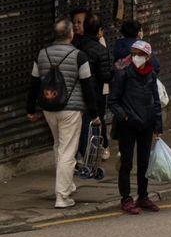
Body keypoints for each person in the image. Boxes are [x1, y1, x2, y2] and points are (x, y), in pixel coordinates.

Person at [27, 19, 98, 210]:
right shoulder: (79, 56)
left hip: (49, 108)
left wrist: (30, 109)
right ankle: (62, 195)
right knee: (68, 151)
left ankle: (67, 184)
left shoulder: (42, 54)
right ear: (70, 34)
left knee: (59, 145)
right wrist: (94, 113)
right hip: (71, 109)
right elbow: (87, 86)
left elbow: (34, 83)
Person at [108, 39, 164, 214]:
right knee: (126, 163)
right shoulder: (123, 73)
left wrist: (157, 125)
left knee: (144, 163)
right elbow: (113, 101)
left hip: (146, 125)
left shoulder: (151, 75)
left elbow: (156, 101)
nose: (136, 57)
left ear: (148, 57)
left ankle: (143, 196)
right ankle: (126, 198)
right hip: (128, 125)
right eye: (134, 54)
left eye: (140, 55)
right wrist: (124, 117)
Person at [73, 14, 112, 184]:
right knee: (92, 126)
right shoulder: (100, 50)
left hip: (74, 96)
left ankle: (79, 159)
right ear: (99, 31)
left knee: (78, 128)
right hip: (94, 95)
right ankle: (90, 163)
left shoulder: (75, 46)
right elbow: (105, 76)